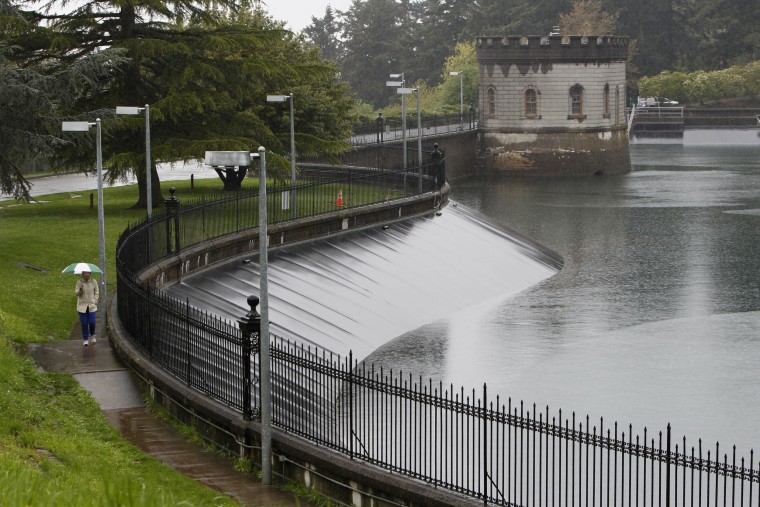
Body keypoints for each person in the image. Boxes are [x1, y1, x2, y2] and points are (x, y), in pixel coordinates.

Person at [76, 271, 99, 346]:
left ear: (90, 274)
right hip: (82, 306)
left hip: (91, 306)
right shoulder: (79, 282)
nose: (86, 274)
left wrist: (95, 301)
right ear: (82, 274)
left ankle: (92, 335)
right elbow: (77, 294)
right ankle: (85, 339)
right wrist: (80, 290)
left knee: (92, 322)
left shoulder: (94, 281)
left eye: (88, 273)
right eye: (85, 273)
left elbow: (96, 292)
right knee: (84, 323)